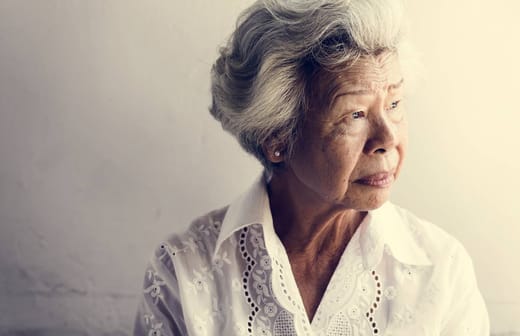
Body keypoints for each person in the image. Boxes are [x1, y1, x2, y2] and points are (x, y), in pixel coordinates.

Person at [134, 0, 489, 334]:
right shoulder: (183, 273)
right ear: (276, 138)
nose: (387, 136)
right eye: (356, 114)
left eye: (394, 102)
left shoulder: (441, 271)